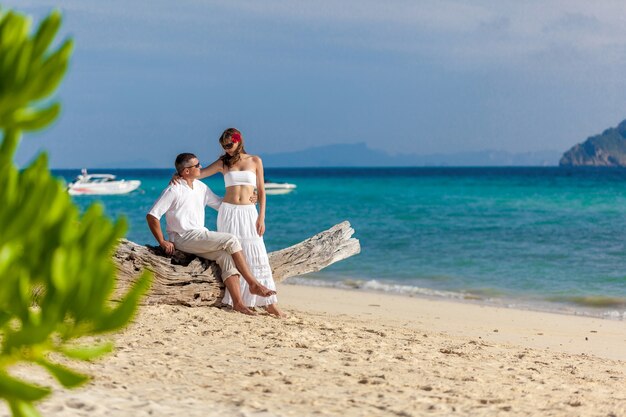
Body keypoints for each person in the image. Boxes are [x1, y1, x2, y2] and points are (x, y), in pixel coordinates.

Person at [147, 152, 276, 316]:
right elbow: (152, 215)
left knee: (225, 257)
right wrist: (162, 241)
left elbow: (221, 204)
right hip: (182, 238)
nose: (201, 167)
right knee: (231, 240)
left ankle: (238, 303)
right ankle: (253, 283)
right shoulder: (174, 189)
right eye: (196, 165)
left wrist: (248, 197)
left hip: (199, 235)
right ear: (186, 171)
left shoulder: (200, 187)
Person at [179, 128, 285, 317]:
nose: (227, 149)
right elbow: (199, 174)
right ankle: (240, 301)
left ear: (239, 141)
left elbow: (261, 191)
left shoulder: (255, 161)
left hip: (249, 213)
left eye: (229, 145)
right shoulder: (223, 163)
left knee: (257, 253)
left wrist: (261, 217)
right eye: (223, 146)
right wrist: (179, 174)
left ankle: (270, 304)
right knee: (234, 254)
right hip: (228, 212)